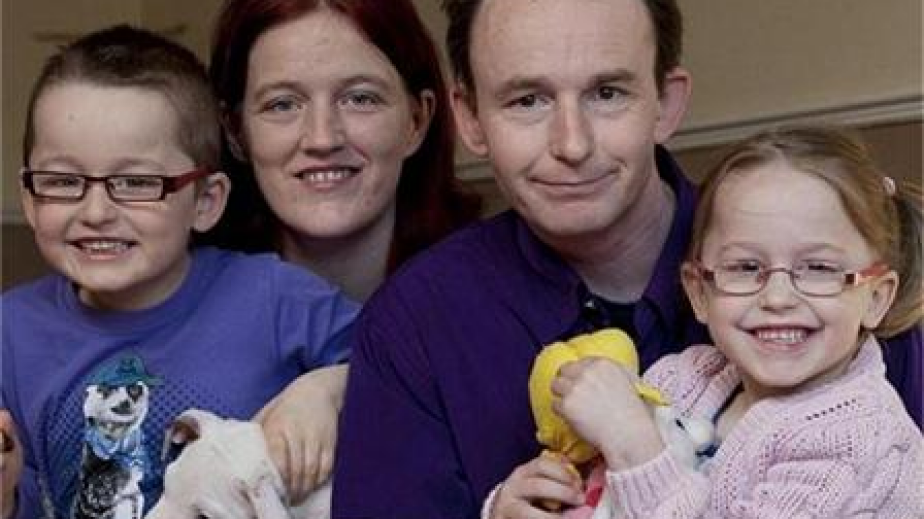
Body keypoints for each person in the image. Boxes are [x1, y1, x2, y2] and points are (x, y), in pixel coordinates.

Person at [332, 0, 923, 517]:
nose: (572, 144)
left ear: (666, 103)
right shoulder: (415, 325)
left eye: (607, 93)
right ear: (470, 118)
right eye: (528, 100)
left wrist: (636, 448)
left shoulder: (839, 299)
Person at [0, 25, 357, 519]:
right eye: (62, 181)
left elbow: (405, 368)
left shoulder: (276, 298)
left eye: (136, 182)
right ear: (29, 198)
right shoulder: (11, 331)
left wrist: (324, 391)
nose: (96, 212)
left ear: (206, 201)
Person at [492, 126, 924, 517]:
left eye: (818, 268)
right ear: (699, 292)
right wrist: (519, 504)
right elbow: (600, 491)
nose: (777, 298)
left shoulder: (860, 442)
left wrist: (634, 445)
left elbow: (632, 454)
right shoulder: (682, 379)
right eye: (745, 267)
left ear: (876, 298)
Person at [204, 0, 482, 501]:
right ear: (236, 131)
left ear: (417, 119)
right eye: (282, 104)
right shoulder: (180, 309)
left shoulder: (489, 300)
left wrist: (342, 386)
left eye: (360, 99)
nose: (322, 138)